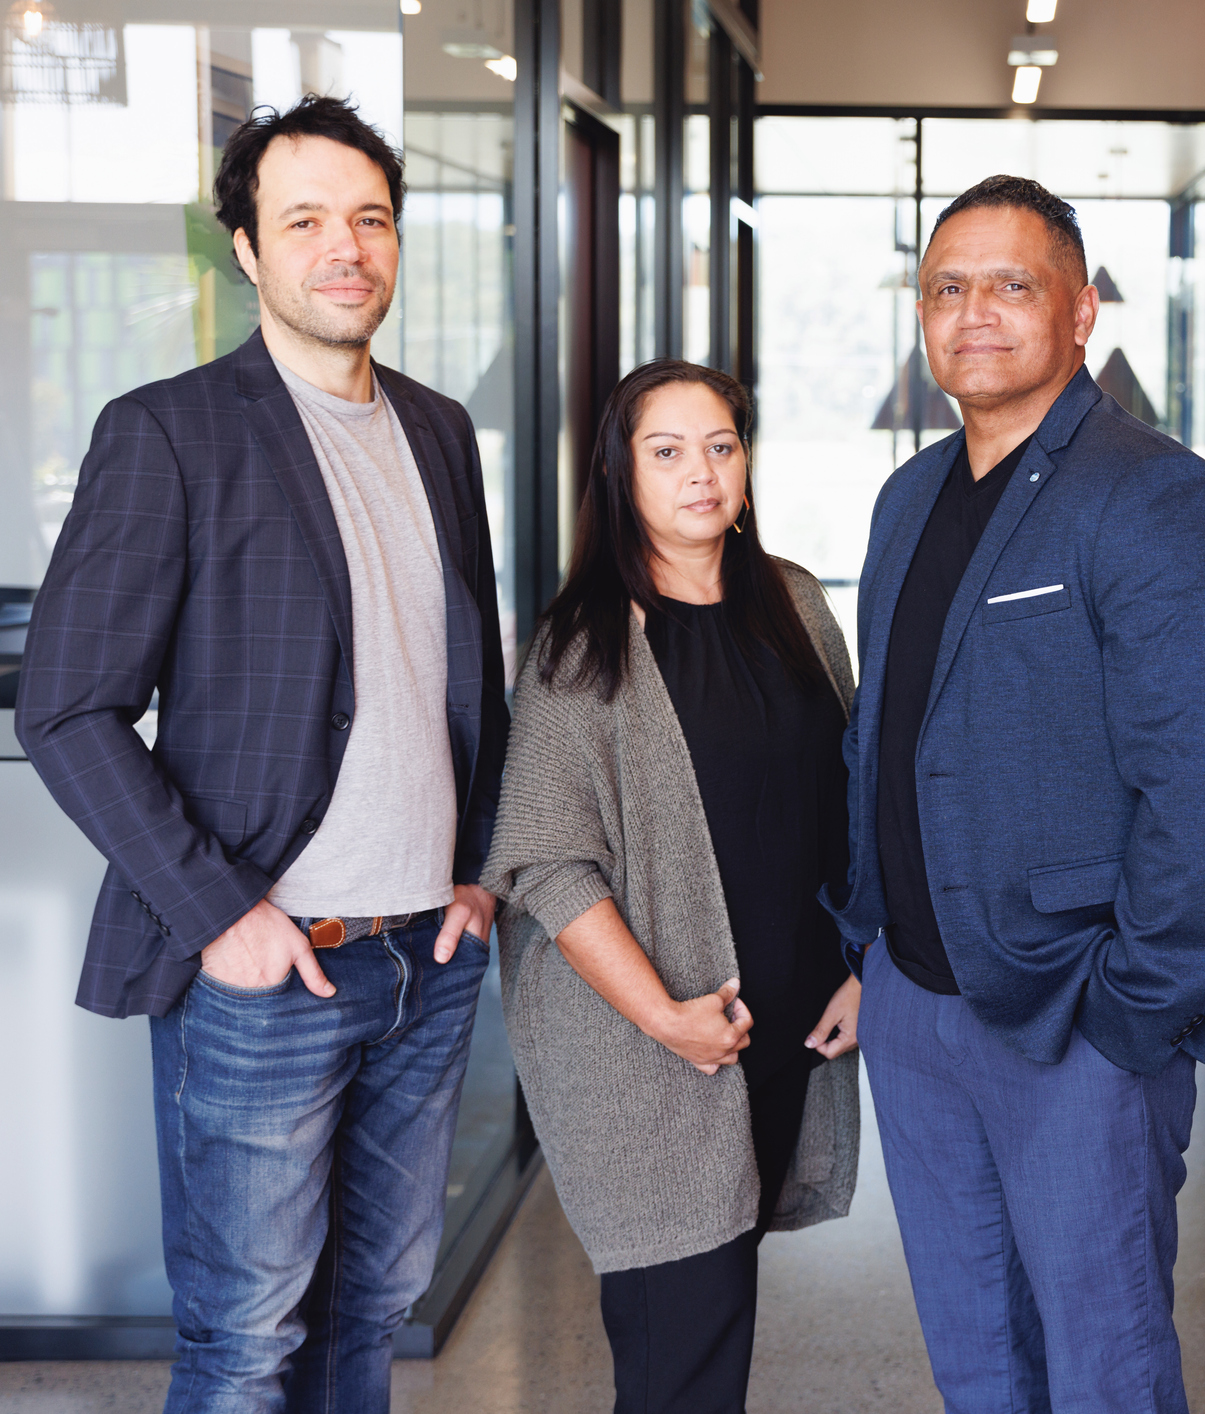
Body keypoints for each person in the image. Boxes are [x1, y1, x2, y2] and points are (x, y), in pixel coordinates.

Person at [15, 96, 510, 1411]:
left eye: (370, 219)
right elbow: (65, 705)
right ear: (245, 247)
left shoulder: (442, 432)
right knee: (245, 1340)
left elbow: (466, 680)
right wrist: (218, 907)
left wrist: (477, 869)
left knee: (371, 1316)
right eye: (305, 220)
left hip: (428, 958)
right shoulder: (171, 431)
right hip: (267, 964)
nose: (344, 246)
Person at [828, 174, 1205, 1413]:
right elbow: (888, 735)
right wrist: (867, 941)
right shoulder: (906, 496)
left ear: (1078, 311)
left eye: (1010, 285)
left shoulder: (1150, 491)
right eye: (946, 287)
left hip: (1074, 1018)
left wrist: (1130, 1018)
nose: (973, 312)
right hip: (915, 1011)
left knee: (1103, 1367)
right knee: (975, 1361)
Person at [481, 359, 861, 1414]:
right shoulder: (580, 644)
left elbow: (854, 800)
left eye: (721, 446)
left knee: (718, 1328)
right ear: (619, 472)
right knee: (679, 1366)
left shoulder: (792, 602)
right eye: (666, 450)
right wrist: (667, 1021)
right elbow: (547, 863)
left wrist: (860, 964)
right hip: (654, 1056)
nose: (700, 472)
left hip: (779, 1030)